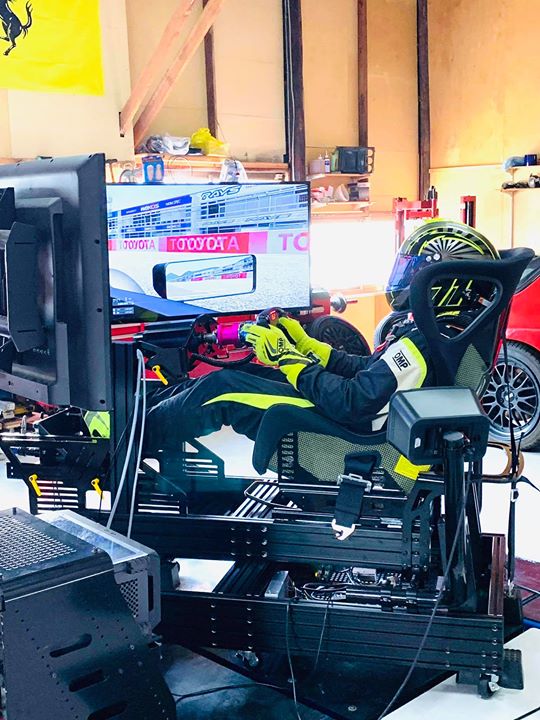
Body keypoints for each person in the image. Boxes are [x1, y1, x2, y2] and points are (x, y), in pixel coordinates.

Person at [144, 221, 499, 453]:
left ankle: (133, 441)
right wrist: (308, 346)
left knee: (221, 388)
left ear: (443, 283)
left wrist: (286, 357)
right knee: (247, 372)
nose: (404, 279)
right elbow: (369, 371)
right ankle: (143, 408)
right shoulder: (444, 336)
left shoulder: (423, 344)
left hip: (351, 436)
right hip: (358, 422)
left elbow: (352, 401)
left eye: (413, 271)